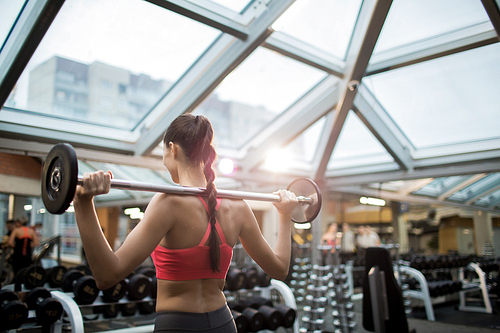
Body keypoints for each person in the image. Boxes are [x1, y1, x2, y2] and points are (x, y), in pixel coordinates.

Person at [72, 114, 298, 333]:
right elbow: (279, 269)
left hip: (178, 325)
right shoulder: (238, 207)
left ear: (173, 149)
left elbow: (107, 275)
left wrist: (83, 203)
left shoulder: (167, 203)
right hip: (223, 323)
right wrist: (284, 215)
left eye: (163, 152)